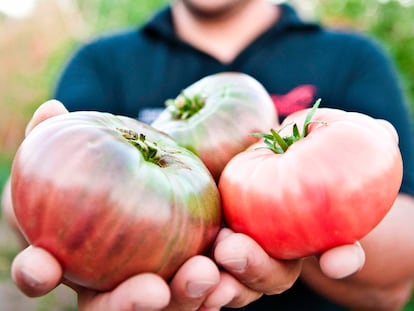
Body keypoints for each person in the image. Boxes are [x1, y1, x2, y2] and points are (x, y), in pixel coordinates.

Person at [3, 0, 414, 310]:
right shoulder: (101, 61)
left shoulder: (352, 57)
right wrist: (30, 184)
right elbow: (40, 184)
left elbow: (398, 276)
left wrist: (279, 223)